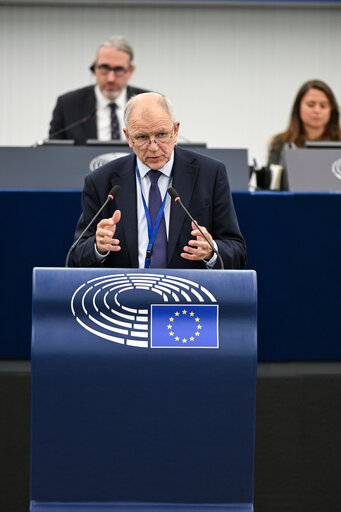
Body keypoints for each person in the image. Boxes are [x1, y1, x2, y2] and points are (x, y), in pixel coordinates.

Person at [70, 92, 246, 270]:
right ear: (128, 137)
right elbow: (77, 255)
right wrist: (98, 247)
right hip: (125, 293)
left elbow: (237, 252)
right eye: (142, 137)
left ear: (175, 131)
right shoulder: (101, 181)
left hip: (188, 294)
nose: (153, 147)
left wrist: (211, 251)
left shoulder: (210, 174)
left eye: (161, 134)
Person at [48, 35, 149, 145]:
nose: (111, 78)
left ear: (131, 71)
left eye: (118, 70)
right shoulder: (68, 104)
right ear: (94, 68)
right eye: (104, 68)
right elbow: (54, 151)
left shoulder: (148, 102)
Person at [267, 79, 341, 190]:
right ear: (298, 108)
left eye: (323, 106)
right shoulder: (281, 142)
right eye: (311, 105)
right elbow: (272, 185)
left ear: (332, 109)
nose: (317, 110)